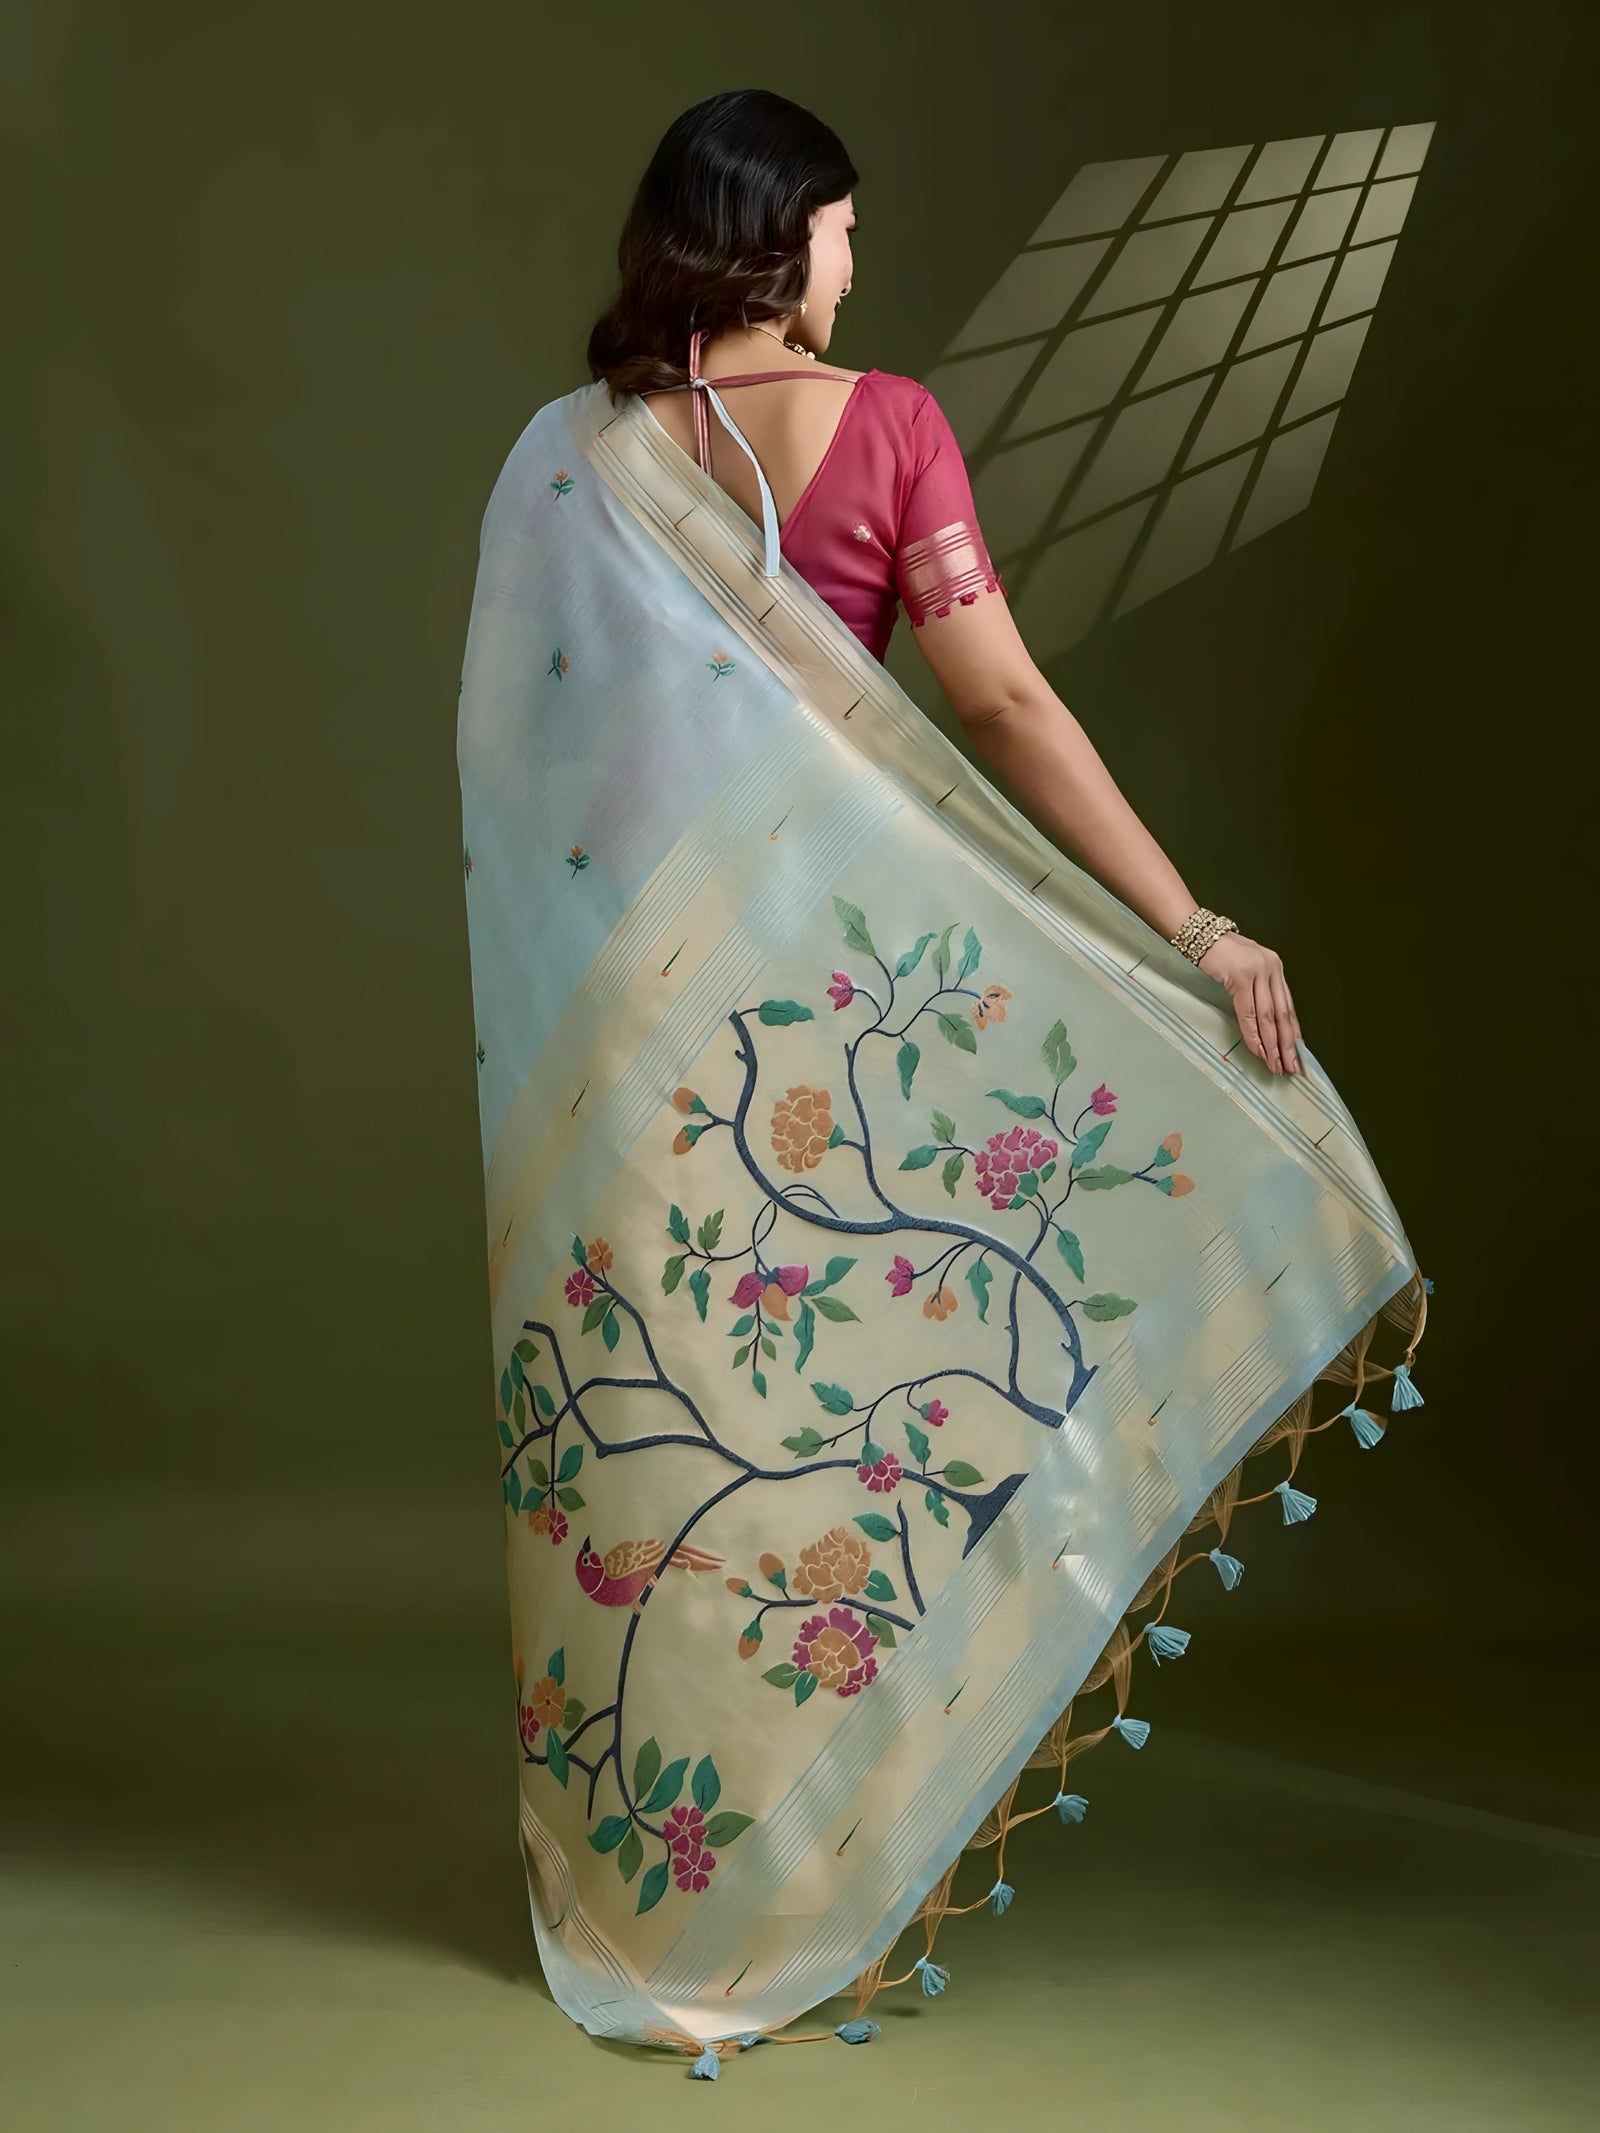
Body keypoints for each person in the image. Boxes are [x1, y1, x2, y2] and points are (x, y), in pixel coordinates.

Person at [454, 87, 1427, 2075]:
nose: (855, 262)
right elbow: (995, 696)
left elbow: (543, 771)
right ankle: (829, 1834)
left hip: (642, 1019)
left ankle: (682, 1877)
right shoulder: (884, 424)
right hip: (833, 1014)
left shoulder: (571, 458)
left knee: (681, 1428)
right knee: (852, 1393)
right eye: (842, 227)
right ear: (780, 230)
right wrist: (1190, 927)